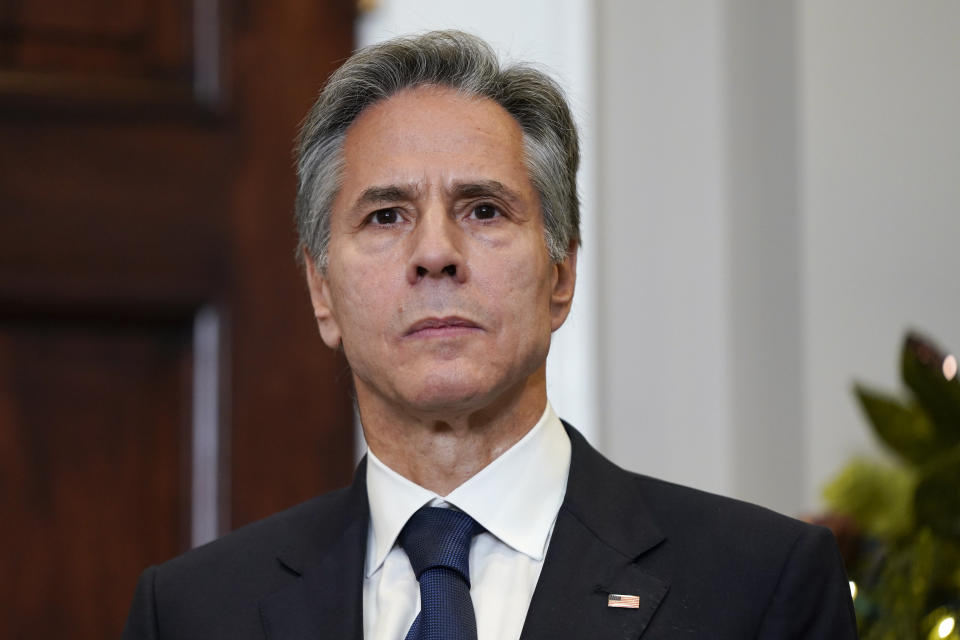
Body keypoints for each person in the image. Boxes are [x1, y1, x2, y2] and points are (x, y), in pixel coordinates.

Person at [122, 30, 857, 639]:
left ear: (561, 274)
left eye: (483, 210)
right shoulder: (193, 613)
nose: (435, 253)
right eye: (386, 215)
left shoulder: (760, 587)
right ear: (321, 291)